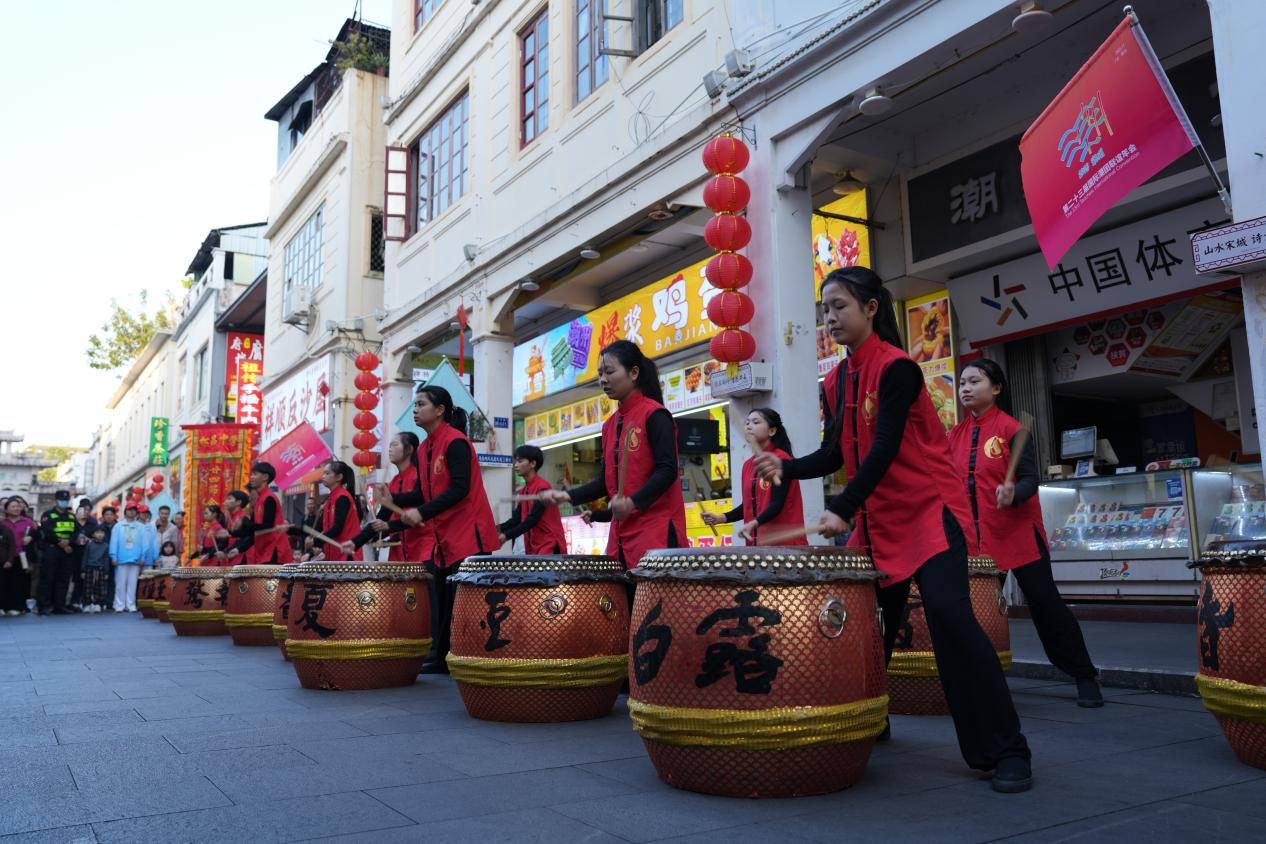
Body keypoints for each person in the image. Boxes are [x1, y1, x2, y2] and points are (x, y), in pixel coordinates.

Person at [754, 266, 1033, 793]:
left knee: (954, 627)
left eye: (839, 306)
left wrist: (844, 503)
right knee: (862, 635)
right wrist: (787, 467)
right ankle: (865, 723)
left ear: (871, 308)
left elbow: (883, 446)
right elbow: (838, 451)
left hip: (929, 515)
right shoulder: (836, 379)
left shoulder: (899, 368)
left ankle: (1007, 749)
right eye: (825, 311)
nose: (830, 318)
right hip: (879, 525)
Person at [951, 359, 1102, 707]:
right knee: (975, 612)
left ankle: (1084, 675)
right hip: (976, 539)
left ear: (997, 388)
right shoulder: (954, 436)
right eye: (962, 384)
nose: (966, 389)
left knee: (1046, 604)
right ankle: (980, 681)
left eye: (974, 381)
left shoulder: (1012, 430)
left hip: (1017, 532)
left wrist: (1013, 493)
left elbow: (1031, 480)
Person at [540, 340, 687, 574]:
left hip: (655, 534)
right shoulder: (610, 425)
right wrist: (566, 495)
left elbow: (667, 470)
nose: (603, 380)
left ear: (634, 373)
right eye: (600, 374)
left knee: (653, 609)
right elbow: (605, 483)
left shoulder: (655, 415)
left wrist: (632, 502)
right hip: (621, 537)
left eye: (609, 372)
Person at [387, 386, 498, 673]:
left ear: (439, 410)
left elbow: (459, 489)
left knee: (466, 600)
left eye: (421, 404)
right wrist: (394, 500)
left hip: (468, 534)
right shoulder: (425, 448)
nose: (415, 409)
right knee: (443, 599)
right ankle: (442, 655)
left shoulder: (456, 442)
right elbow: (425, 493)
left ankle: (472, 654)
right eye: (415, 404)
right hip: (444, 538)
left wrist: (420, 512)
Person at [702, 408, 806, 544]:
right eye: (747, 423)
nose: (749, 426)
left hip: (784, 543)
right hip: (756, 543)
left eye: (756, 422)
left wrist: (755, 522)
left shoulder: (781, 460)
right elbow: (750, 505)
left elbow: (777, 504)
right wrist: (721, 517)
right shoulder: (748, 465)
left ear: (772, 431)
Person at [348, 432, 435, 563]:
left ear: (409, 449)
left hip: (423, 550)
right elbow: (382, 518)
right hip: (400, 555)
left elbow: (419, 514)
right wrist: (355, 542)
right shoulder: (394, 482)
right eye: (389, 445)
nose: (390, 449)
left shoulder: (420, 477)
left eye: (394, 444)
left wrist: (388, 525)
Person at [498, 445, 569, 554]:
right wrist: (495, 529)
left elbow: (532, 520)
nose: (516, 465)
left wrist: (506, 536)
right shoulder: (525, 490)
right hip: (535, 546)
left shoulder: (543, 488)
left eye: (520, 461)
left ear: (532, 464)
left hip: (549, 545)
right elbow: (516, 520)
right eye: (516, 461)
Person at [38, 491, 80, 615]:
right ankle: (44, 606)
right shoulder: (48, 515)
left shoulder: (71, 516)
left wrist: (69, 542)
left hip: (67, 551)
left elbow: (77, 532)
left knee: (63, 579)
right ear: (55, 501)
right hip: (52, 549)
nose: (64, 502)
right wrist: (60, 542)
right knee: (48, 578)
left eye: (66, 500)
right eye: (61, 500)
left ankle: (59, 606)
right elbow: (47, 531)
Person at [244, 462, 294, 564]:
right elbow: (254, 530)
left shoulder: (269, 498)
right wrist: (238, 548)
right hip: (264, 550)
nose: (251, 477)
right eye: (251, 474)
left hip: (274, 549)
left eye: (255, 474)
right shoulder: (259, 499)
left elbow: (267, 526)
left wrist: (244, 524)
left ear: (265, 477)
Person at [317, 462, 363, 561]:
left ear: (339, 477)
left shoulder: (342, 497)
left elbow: (338, 528)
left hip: (347, 554)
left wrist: (318, 539)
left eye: (327, 473)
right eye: (323, 473)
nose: (323, 476)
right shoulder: (330, 498)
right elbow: (321, 525)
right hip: (335, 554)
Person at [1, 497, 36, 615]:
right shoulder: (2, 522)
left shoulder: (27, 522)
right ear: (6, 509)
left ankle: (16, 606)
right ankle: (4, 606)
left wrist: (31, 537)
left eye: (18, 506)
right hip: (5, 557)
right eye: (13, 506)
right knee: (4, 582)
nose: (16, 508)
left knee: (18, 582)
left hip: (22, 555)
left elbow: (38, 534)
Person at [108, 504, 146, 612]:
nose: (132, 512)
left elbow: (145, 543)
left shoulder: (140, 527)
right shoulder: (118, 526)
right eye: (129, 510)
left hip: (135, 559)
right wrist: (113, 556)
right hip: (121, 559)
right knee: (120, 583)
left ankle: (131, 605)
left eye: (134, 510)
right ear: (125, 512)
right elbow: (114, 542)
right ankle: (119, 605)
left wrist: (143, 556)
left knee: (133, 584)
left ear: (136, 513)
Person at [80, 527, 111, 612]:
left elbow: (106, 559)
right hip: (89, 568)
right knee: (88, 587)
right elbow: (85, 557)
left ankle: (97, 604)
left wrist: (106, 572)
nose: (100, 534)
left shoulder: (105, 546)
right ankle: (87, 604)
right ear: (93, 534)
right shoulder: (89, 544)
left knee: (99, 587)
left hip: (100, 568)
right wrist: (83, 570)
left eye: (102, 533)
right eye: (97, 532)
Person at [216, 492, 251, 565]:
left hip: (242, 556)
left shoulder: (243, 518)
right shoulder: (229, 518)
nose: (225, 502)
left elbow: (245, 539)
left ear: (238, 502)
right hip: (232, 556)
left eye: (229, 499)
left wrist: (226, 552)